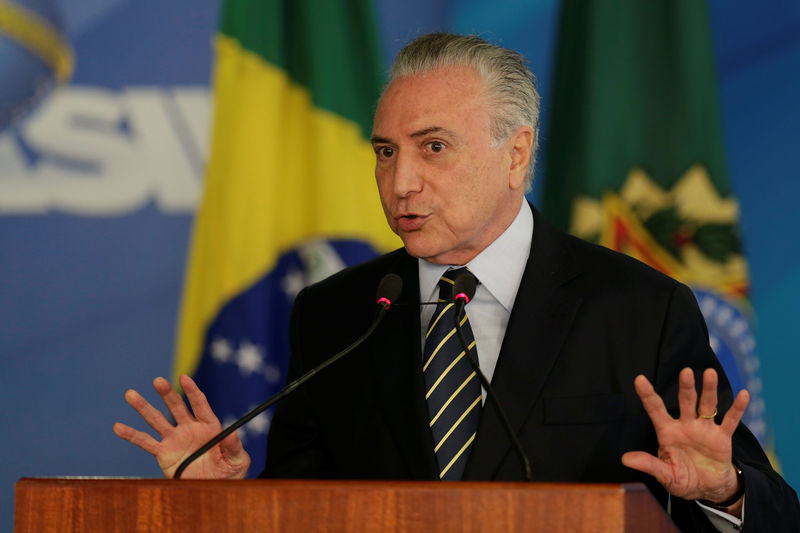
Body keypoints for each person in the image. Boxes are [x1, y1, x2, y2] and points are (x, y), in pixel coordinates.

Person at [114, 33, 799, 531]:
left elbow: (775, 518)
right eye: (385, 152)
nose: (399, 182)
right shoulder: (336, 314)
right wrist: (219, 504)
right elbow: (304, 509)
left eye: (433, 147)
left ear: (517, 155)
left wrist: (725, 491)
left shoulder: (637, 310)